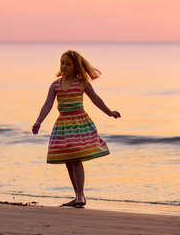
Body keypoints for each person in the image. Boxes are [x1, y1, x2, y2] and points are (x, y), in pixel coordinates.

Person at [32, 50, 121, 208]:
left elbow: (96, 99)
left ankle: (80, 196)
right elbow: (47, 105)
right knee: (68, 160)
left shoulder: (82, 83)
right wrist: (39, 121)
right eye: (62, 63)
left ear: (76, 66)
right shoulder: (55, 85)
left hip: (79, 123)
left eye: (68, 64)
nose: (64, 66)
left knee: (76, 159)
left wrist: (110, 112)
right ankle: (79, 196)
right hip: (63, 125)